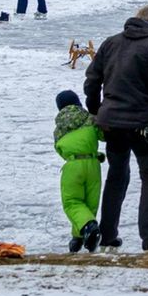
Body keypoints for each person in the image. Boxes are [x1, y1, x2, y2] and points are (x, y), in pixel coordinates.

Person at [84, 5, 148, 251]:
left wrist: (96, 111)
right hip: (141, 124)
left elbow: (92, 80)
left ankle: (108, 234)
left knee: (117, 175)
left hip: (111, 122)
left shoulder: (111, 43)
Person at [54, 89, 103, 253]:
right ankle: (79, 237)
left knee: (72, 202)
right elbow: (103, 135)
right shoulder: (89, 119)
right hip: (93, 164)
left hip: (73, 165)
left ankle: (88, 227)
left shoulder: (59, 128)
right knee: (90, 203)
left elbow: (60, 149)